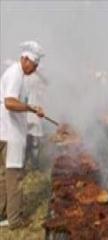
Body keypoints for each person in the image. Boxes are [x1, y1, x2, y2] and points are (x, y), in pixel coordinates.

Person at [0, 41, 45, 229]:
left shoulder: (16, 73)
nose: (35, 69)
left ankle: (3, 215)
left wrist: (31, 109)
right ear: (25, 59)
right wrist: (30, 108)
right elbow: (10, 102)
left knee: (3, 176)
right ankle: (15, 220)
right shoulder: (15, 74)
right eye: (34, 65)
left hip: (6, 132)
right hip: (10, 134)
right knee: (14, 176)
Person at [25, 71, 48, 170]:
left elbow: (46, 83)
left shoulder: (36, 77)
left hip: (34, 114)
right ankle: (29, 165)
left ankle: (32, 164)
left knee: (31, 141)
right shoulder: (30, 78)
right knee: (31, 141)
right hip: (30, 114)